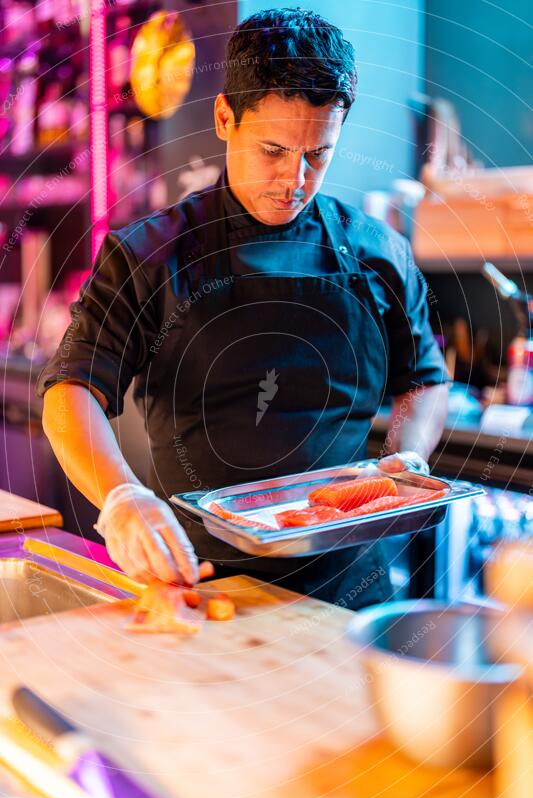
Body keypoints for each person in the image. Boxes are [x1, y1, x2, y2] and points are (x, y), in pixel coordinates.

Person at [36, 8, 449, 610]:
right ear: (225, 118)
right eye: (274, 150)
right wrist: (122, 497)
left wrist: (402, 462)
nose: (294, 179)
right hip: (201, 579)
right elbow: (69, 392)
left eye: (318, 154)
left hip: (352, 590)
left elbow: (426, 380)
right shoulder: (149, 254)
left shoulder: (377, 253)